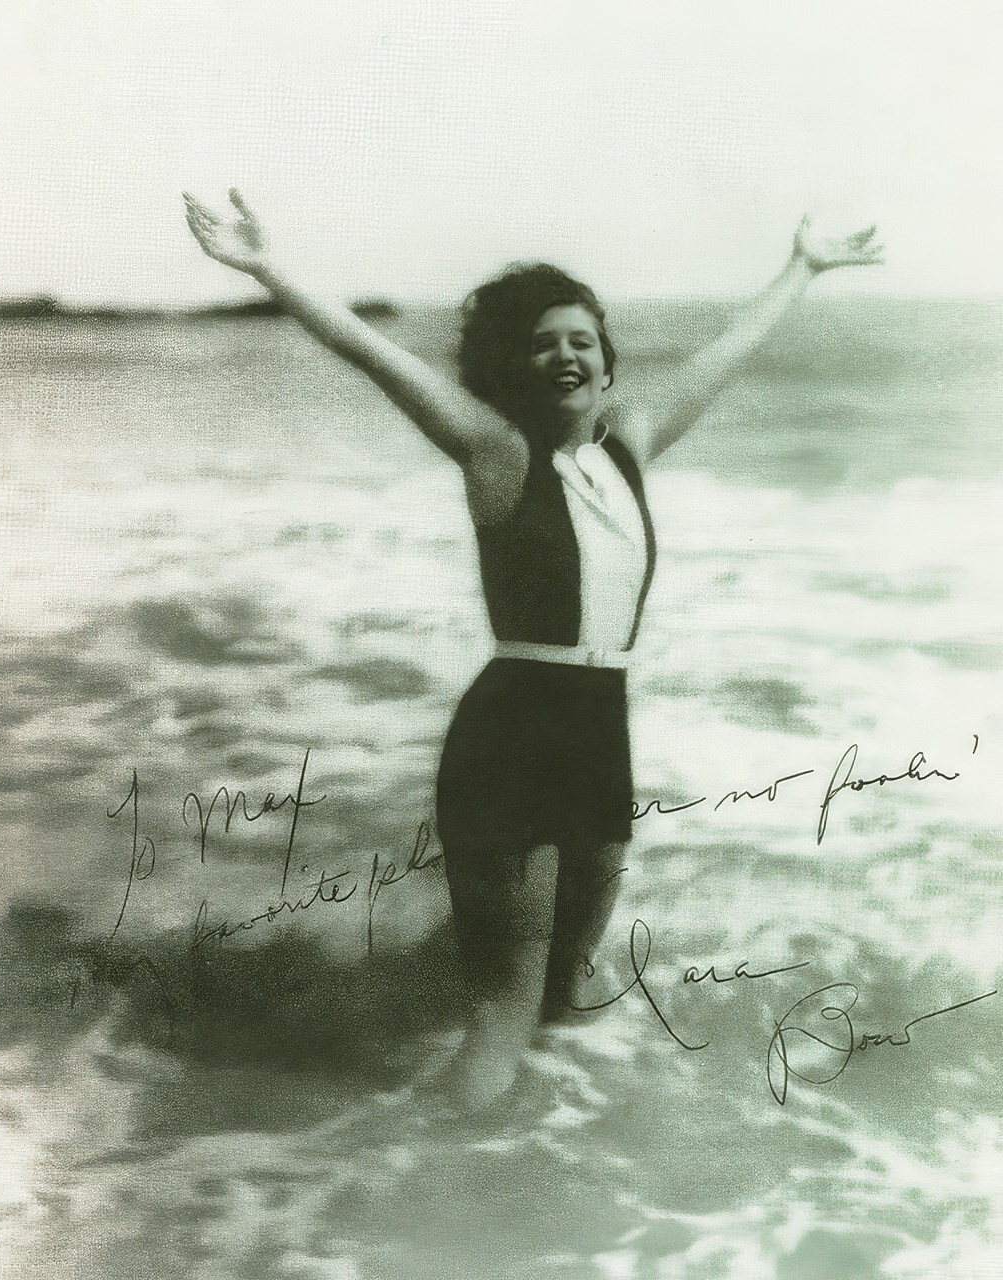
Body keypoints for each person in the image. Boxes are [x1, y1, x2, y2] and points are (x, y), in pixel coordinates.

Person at [184, 191, 883, 1110]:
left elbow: (723, 358)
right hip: (513, 733)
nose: (567, 354)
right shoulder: (495, 453)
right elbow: (373, 355)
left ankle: (532, 1180)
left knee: (565, 981)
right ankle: (411, 1196)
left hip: (600, 731)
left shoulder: (627, 445)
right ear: (512, 368)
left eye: (583, 339)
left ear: (604, 360)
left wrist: (804, 267)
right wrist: (267, 268)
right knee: (505, 1007)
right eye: (543, 342)